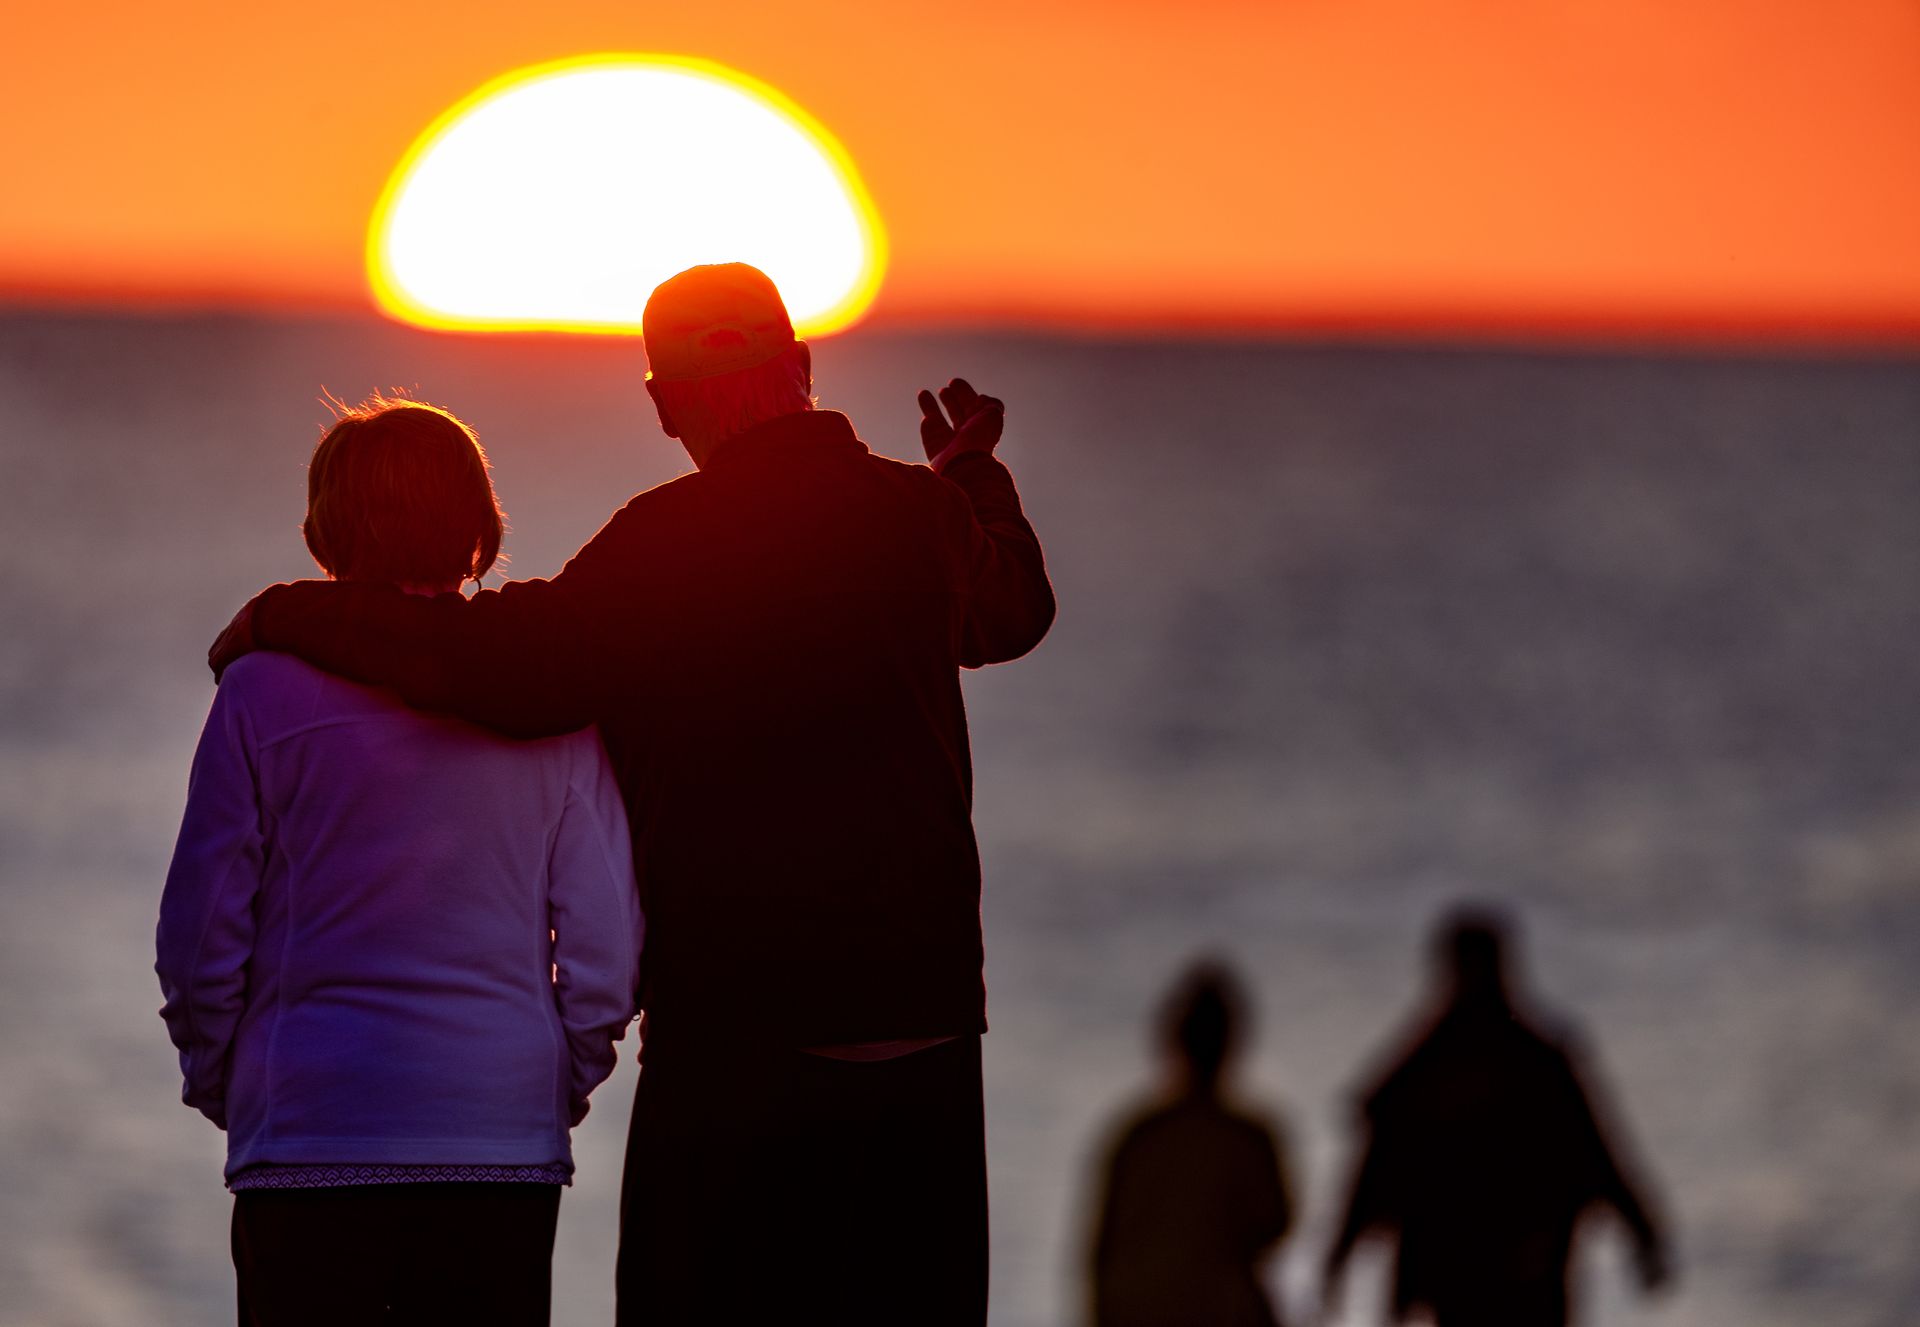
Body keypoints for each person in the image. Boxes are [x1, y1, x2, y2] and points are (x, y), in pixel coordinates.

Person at [205, 262, 1055, 1325]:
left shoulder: (664, 547)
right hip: (922, 1049)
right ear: (802, 365)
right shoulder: (920, 518)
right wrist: (973, 476)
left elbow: (500, 666)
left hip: (733, 1053)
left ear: (663, 406)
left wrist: (293, 615)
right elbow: (1015, 609)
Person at [157, 397, 641, 1326]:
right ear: (476, 528)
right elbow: (606, 948)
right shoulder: (554, 709)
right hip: (498, 1134)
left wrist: (231, 1075)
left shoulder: (260, 691)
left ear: (325, 529)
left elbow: (200, 931)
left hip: (306, 1124)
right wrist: (549, 1075)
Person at [1321, 905, 1672, 1327]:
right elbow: (1597, 1154)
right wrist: (1643, 1234)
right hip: (1482, 1276)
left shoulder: (1438, 1064)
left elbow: (1595, 1153)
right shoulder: (1506, 1062)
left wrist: (1340, 1257)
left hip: (1502, 1272)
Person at [1086, 961, 1294, 1327]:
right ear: (1232, 1041)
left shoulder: (1139, 1133)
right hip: (1223, 1312)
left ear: (1173, 1038)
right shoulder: (1249, 1135)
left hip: (1139, 1312)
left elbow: (1101, 1247)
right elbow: (1275, 1224)